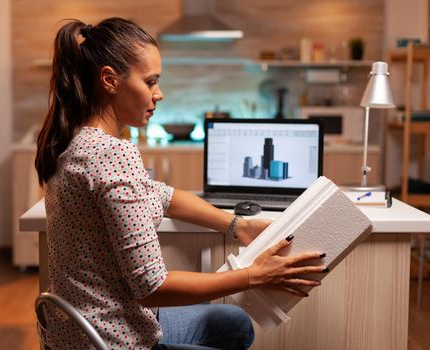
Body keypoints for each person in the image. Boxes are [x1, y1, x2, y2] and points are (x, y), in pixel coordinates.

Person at [35, 17, 327, 350]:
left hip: (80, 331)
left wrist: (237, 225)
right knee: (238, 329)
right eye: (150, 81)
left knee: (235, 325)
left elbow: (163, 196)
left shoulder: (75, 142)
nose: (159, 94)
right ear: (109, 80)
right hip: (115, 339)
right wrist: (254, 276)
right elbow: (153, 287)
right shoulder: (110, 154)